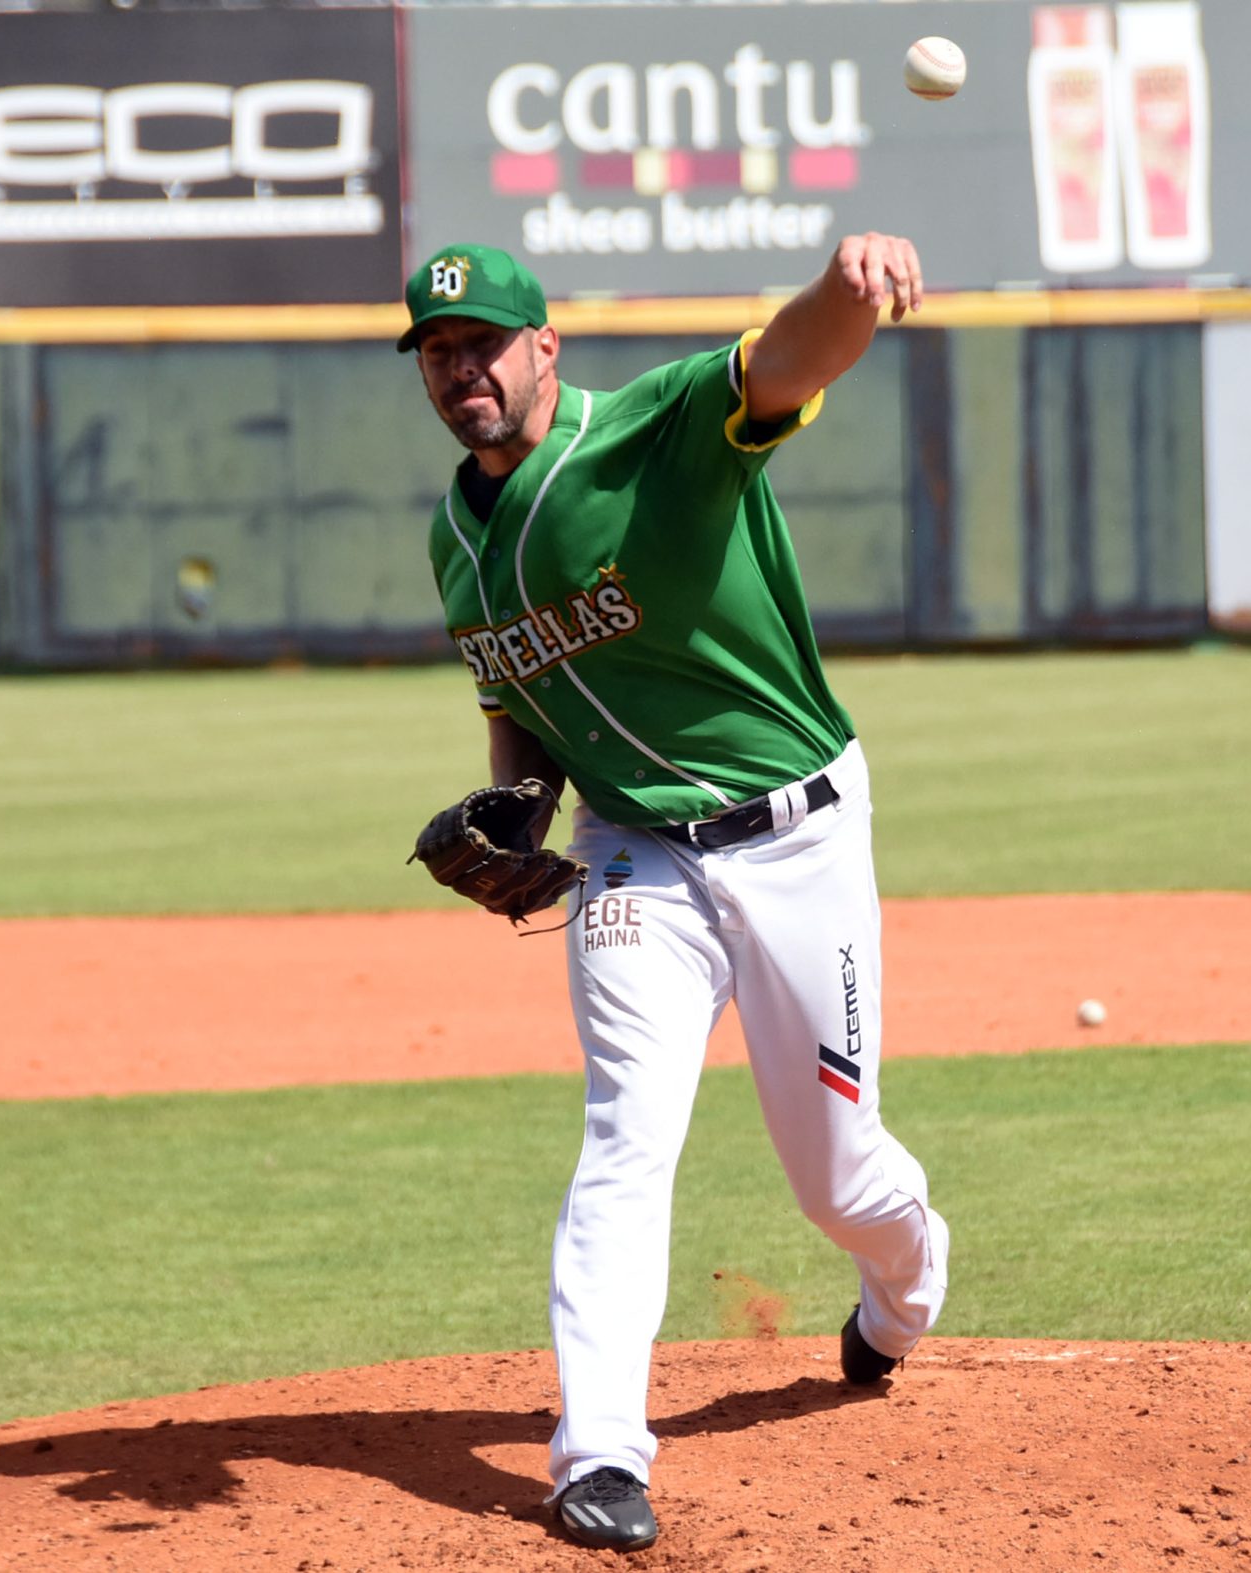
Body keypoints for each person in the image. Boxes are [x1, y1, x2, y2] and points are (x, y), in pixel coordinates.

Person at [398, 236, 950, 1555]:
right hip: (635, 852)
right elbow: (518, 706)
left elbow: (784, 363)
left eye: (484, 344)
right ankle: (599, 1451)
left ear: (546, 347)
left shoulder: (654, 435)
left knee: (838, 1180)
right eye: (437, 350)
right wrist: (519, 802)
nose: (462, 368)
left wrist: (849, 288)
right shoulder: (453, 540)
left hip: (799, 836)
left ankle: (906, 1285)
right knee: (626, 1134)